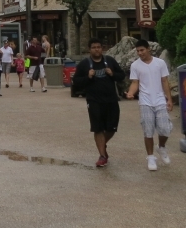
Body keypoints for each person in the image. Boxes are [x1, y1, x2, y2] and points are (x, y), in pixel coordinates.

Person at [73, 39, 126, 167]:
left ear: (102, 48)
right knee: (98, 128)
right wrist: (88, 77)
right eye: (93, 47)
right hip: (94, 101)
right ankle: (102, 156)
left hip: (111, 100)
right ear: (89, 49)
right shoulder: (84, 64)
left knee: (112, 128)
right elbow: (76, 82)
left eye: (98, 47)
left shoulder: (110, 61)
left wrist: (112, 74)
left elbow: (122, 76)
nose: (96, 49)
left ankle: (102, 144)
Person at [126, 39, 174, 171]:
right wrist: (131, 93)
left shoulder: (160, 63)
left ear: (148, 49)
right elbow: (135, 82)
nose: (140, 53)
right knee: (148, 130)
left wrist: (169, 99)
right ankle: (150, 157)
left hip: (159, 100)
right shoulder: (135, 65)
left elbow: (164, 81)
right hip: (145, 101)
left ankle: (161, 147)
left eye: (142, 50)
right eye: (138, 51)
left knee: (165, 128)